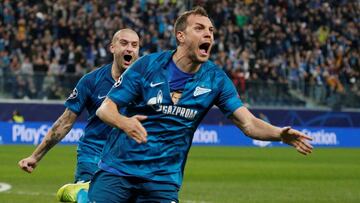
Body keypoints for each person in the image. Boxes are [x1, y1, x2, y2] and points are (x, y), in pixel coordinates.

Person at [90, 7, 313, 203]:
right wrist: (124, 123)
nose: (208, 34)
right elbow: (105, 108)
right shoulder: (147, 65)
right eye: (199, 28)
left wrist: (280, 135)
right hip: (117, 170)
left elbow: (249, 124)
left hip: (162, 179)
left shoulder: (216, 80)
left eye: (211, 30)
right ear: (181, 36)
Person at [18, 28, 140, 203]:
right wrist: (35, 156)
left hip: (127, 158)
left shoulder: (146, 83)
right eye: (124, 43)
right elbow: (65, 123)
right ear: (112, 47)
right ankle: (83, 194)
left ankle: (78, 193)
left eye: (134, 45)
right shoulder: (91, 81)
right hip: (93, 155)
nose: (129, 49)